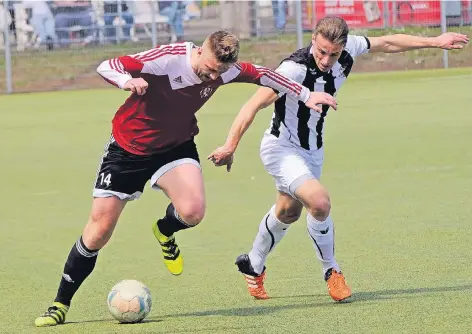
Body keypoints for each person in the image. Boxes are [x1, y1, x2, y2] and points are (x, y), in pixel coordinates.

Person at [34, 30, 337, 327]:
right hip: (128, 148)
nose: (210, 77)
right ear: (201, 50)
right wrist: (128, 80)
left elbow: (264, 74)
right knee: (98, 231)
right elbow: (107, 65)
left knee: (193, 212)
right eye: (208, 69)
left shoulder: (224, 71)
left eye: (217, 73)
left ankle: (165, 230)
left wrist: (306, 94)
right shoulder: (166, 60)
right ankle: (60, 303)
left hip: (175, 147)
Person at [208, 17, 469, 301]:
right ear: (313, 41)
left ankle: (252, 263)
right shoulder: (293, 69)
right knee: (319, 203)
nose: (326, 59)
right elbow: (253, 104)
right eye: (321, 51)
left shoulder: (347, 51)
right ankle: (331, 271)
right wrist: (230, 145)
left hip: (312, 151)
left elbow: (387, 42)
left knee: (288, 212)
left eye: (333, 53)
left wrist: (434, 41)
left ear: (342, 47)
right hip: (281, 148)